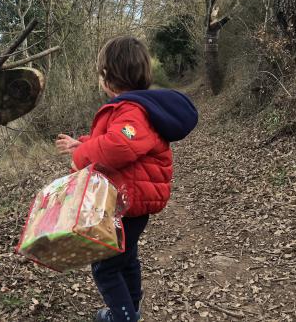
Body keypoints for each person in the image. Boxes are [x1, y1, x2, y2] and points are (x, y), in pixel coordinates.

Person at [56, 36, 198, 322]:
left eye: (100, 74)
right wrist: (81, 142)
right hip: (130, 203)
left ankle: (123, 317)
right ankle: (131, 309)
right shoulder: (133, 109)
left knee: (105, 267)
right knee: (126, 259)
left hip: (127, 206)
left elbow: (120, 146)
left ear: (108, 76)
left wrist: (81, 156)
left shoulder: (131, 110)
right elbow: (114, 139)